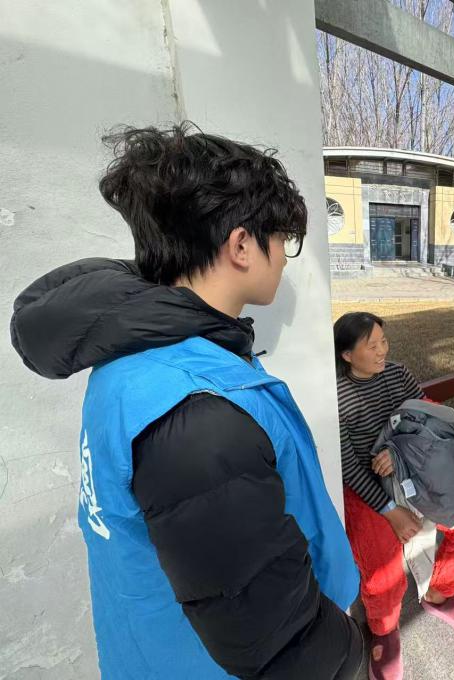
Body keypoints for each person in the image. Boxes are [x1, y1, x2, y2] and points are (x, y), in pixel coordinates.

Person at [10, 124, 363, 679]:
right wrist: (349, 650)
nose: (285, 259)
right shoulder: (197, 413)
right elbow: (271, 640)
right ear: (241, 246)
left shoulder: (138, 362)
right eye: (282, 241)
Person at [333, 312, 454, 680]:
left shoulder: (398, 374)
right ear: (346, 355)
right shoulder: (336, 396)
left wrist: (401, 452)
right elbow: (348, 465)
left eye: (384, 341)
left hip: (413, 471)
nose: (382, 351)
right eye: (371, 346)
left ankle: (441, 592)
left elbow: (427, 419)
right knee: (381, 561)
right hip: (366, 482)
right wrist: (390, 510)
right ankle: (384, 629)